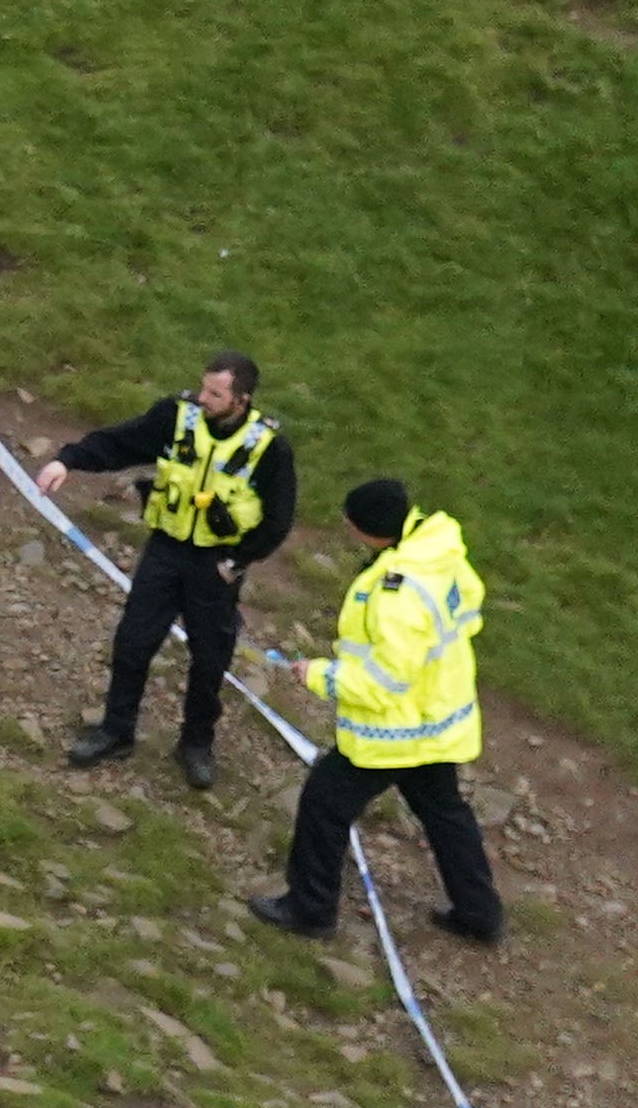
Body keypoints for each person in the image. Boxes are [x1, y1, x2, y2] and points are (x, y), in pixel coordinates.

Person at [252, 477, 502, 948]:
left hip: (395, 731)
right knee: (446, 813)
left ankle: (310, 908)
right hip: (439, 718)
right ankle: (480, 912)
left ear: (370, 531)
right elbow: (468, 611)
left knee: (325, 803)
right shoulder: (439, 552)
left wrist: (317, 675)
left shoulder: (395, 595)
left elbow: (383, 683)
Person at [28, 350, 289, 789]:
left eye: (216, 393)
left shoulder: (269, 449)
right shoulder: (176, 417)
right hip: (166, 550)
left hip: (216, 566)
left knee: (210, 660)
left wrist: (236, 561)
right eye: (204, 387)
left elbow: (278, 518)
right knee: (133, 641)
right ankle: (116, 730)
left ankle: (196, 744)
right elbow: (121, 443)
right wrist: (67, 460)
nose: (204, 398)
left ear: (241, 399)